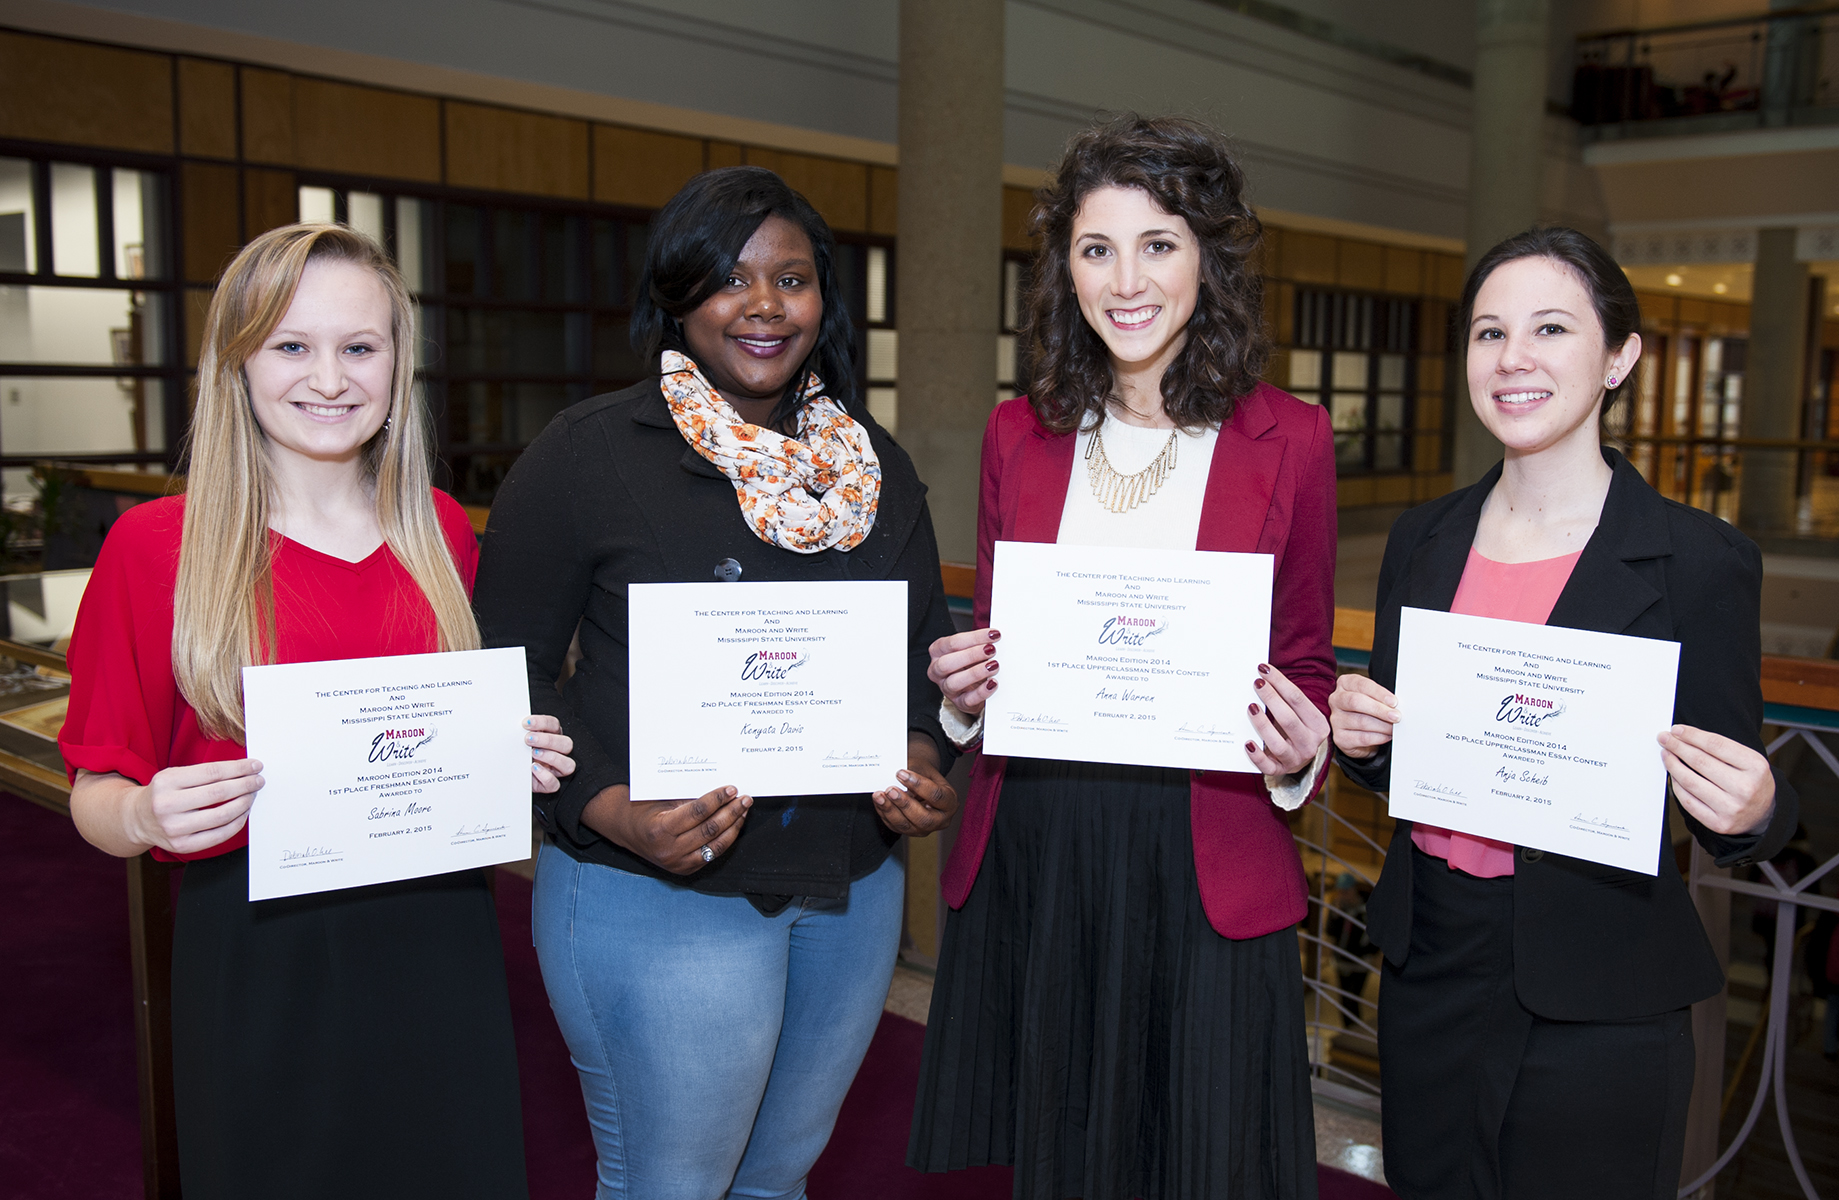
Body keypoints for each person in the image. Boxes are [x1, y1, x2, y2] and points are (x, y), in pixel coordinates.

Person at [472, 165, 960, 1200]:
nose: (765, 306)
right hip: (653, 890)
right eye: (732, 279)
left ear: (825, 300)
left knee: (779, 1181)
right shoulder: (591, 454)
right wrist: (613, 808)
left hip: (850, 890)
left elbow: (923, 661)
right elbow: (499, 672)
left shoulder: (875, 467)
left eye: (792, 278)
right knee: (671, 1187)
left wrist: (921, 756)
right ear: (680, 295)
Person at [60, 223, 576, 1199]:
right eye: (292, 346)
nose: (329, 378)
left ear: (398, 363)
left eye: (359, 347)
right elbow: (97, 785)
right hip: (256, 961)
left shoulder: (443, 534)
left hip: (440, 944)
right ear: (237, 361)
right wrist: (140, 814)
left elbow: (443, 743)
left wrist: (513, 754)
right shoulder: (155, 548)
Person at [908, 115, 1337, 1200]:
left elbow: (1305, 659)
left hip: (1204, 845)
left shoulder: (1293, 439)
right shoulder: (1021, 434)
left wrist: (1298, 754)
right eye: (1096, 248)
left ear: (1209, 258)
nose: (1126, 279)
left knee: (1198, 1161)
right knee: (1062, 1164)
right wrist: (962, 702)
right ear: (1065, 268)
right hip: (1046, 844)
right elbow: (1000, 647)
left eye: (1159, 243)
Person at [1328, 225, 1800, 1200]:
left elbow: (1744, 809)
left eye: (1551, 328)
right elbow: (1407, 755)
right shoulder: (1425, 538)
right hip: (1434, 958)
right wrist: (1365, 745)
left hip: (1599, 983)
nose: (1514, 360)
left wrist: (1758, 812)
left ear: (1620, 355)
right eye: (1489, 333)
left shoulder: (1700, 562)